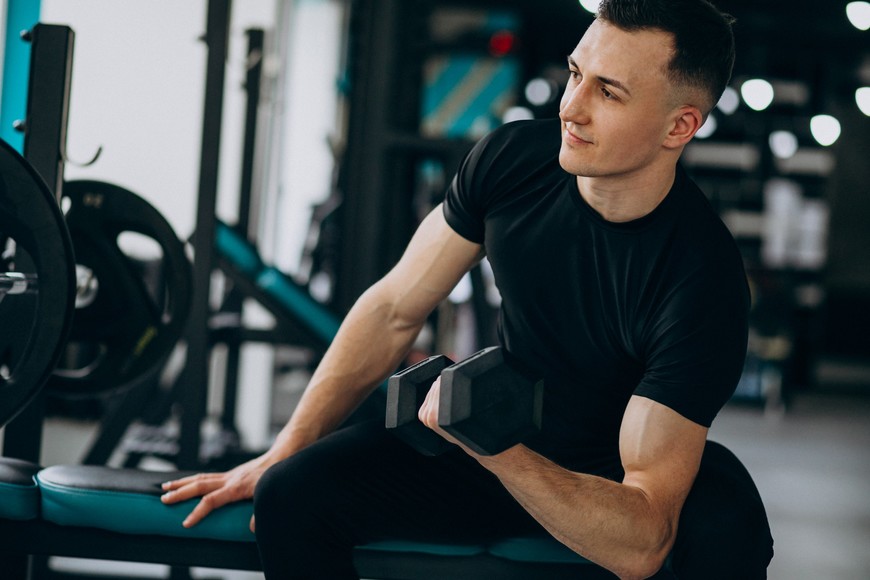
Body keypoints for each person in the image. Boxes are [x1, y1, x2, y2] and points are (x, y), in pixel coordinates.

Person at [161, 0, 774, 577]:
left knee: (728, 526)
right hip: (493, 440)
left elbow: (642, 544)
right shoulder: (513, 160)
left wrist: (495, 446)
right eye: (575, 74)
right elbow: (394, 308)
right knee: (292, 491)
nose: (572, 107)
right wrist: (283, 450)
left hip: (602, 475)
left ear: (680, 126)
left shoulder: (702, 280)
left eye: (608, 92)